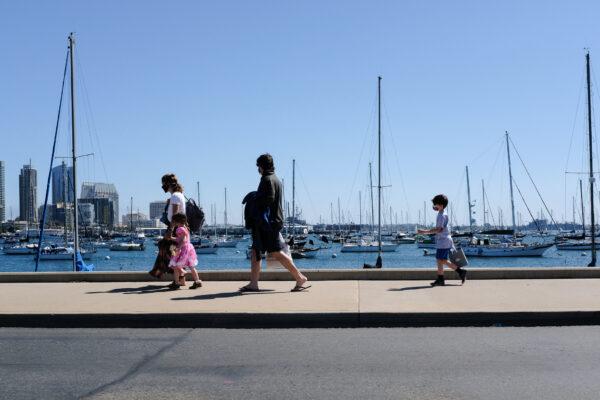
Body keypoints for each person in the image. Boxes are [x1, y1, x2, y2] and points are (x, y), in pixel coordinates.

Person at [240, 153, 310, 292]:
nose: (257, 169)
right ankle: (253, 283)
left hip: (267, 223)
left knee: (275, 252)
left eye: (258, 166)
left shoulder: (266, 179)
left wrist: (255, 199)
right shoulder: (276, 179)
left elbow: (269, 199)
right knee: (256, 251)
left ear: (262, 166)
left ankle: (300, 277)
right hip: (273, 221)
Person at [417, 194, 467, 287]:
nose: (434, 205)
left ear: (441, 205)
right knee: (440, 260)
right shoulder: (443, 213)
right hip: (444, 240)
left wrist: (424, 232)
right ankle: (441, 279)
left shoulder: (441, 216)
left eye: (436, 204)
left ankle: (460, 272)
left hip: (444, 240)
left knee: (442, 260)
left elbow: (439, 229)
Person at [148, 173, 187, 287]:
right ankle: (180, 279)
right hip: (178, 227)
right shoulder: (179, 195)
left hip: (174, 228)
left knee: (168, 252)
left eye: (163, 184)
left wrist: (170, 230)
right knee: (174, 254)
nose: (162, 186)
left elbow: (175, 215)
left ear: (168, 184)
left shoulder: (175, 196)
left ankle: (174, 278)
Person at [168, 213, 202, 290]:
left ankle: (176, 283)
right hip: (189, 248)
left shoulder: (179, 229)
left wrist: (178, 248)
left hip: (182, 248)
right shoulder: (185, 228)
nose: (173, 223)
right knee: (191, 266)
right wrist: (172, 238)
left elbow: (183, 240)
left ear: (177, 221)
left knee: (176, 266)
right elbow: (181, 239)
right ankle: (197, 281)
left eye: (173, 221)